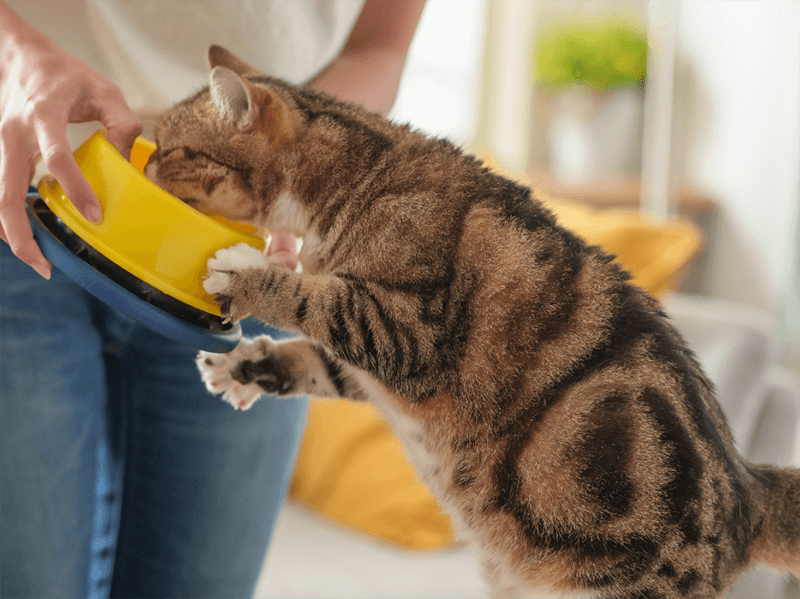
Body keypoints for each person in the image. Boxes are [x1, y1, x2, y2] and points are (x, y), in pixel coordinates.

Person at [0, 1, 425, 597]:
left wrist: (294, 160)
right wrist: (13, 52)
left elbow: (377, 46)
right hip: (22, 186)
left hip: (251, 248)